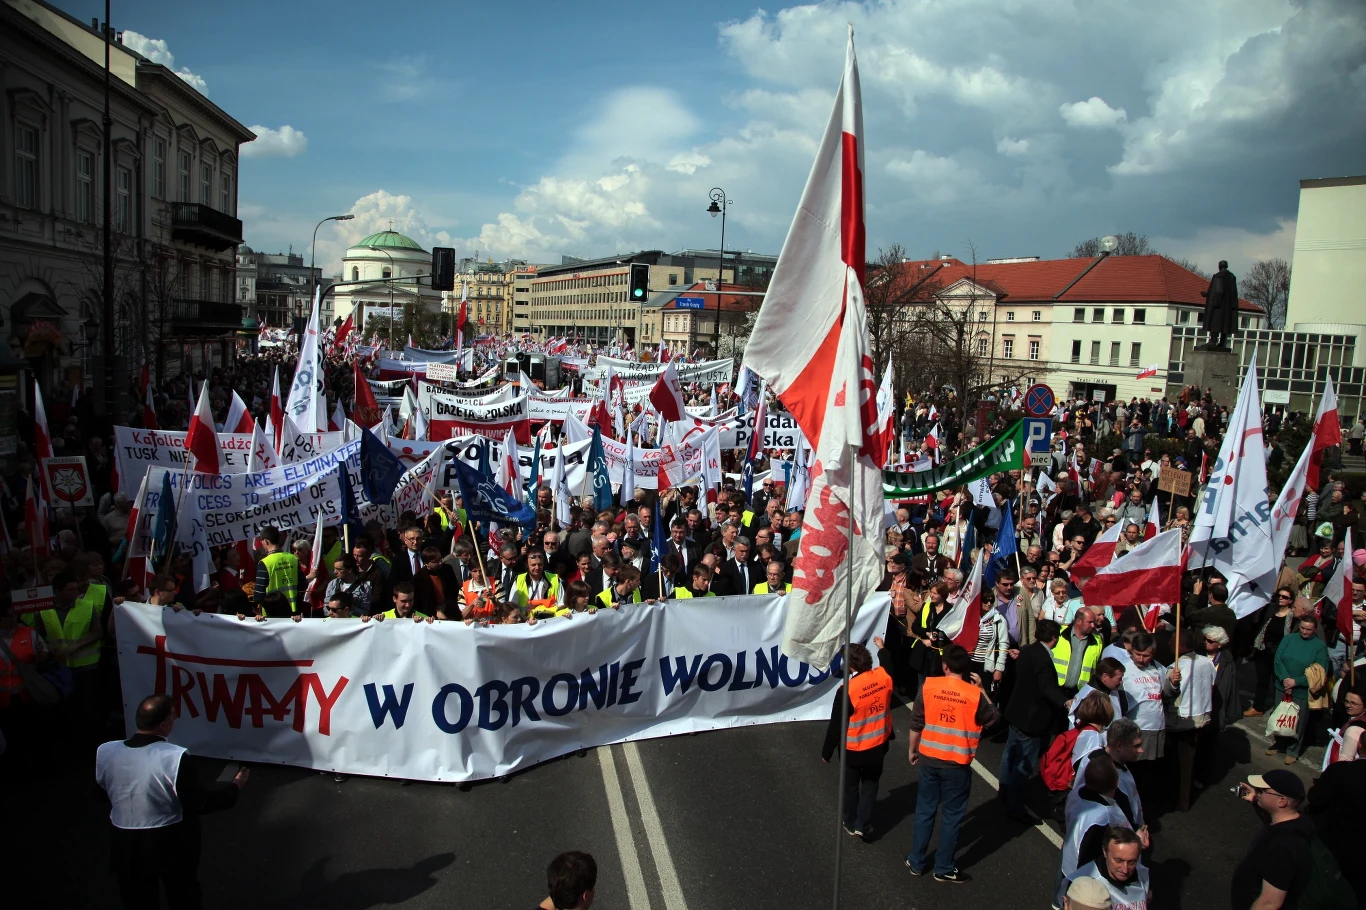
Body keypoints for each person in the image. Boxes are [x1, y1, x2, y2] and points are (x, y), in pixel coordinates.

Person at [95, 694, 249, 909]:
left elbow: (102, 791)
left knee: (137, 898)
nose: (174, 722)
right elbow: (198, 802)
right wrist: (234, 788)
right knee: (182, 893)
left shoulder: (106, 751)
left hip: (124, 841)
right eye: (173, 717)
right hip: (170, 839)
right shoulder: (174, 757)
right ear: (163, 724)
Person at [904, 644, 998, 883]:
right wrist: (983, 691)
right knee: (952, 816)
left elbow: (916, 722)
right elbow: (993, 719)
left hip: (929, 758)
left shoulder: (929, 686)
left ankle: (916, 861)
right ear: (965, 669)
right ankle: (943, 867)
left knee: (925, 811)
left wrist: (912, 750)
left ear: (944, 665)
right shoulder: (973, 694)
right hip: (957, 764)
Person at [821, 640, 894, 841]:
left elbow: (836, 725)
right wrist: (881, 647)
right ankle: (864, 823)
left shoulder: (847, 690)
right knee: (870, 786)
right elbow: (887, 660)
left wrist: (826, 753)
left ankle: (850, 821)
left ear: (851, 666)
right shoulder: (884, 676)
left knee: (851, 787)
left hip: (853, 750)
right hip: (879, 745)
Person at [999, 619, 1069, 824]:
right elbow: (1047, 688)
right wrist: (1066, 702)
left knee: (1010, 755)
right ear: (1054, 639)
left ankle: (1004, 790)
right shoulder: (1044, 662)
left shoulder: (1029, 650)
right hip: (1032, 719)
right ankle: (1015, 805)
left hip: (1016, 712)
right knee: (1024, 763)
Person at [1058, 755, 1138, 906]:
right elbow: (1093, 854)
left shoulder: (1076, 793)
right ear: (1117, 784)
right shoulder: (1102, 818)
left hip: (1068, 860)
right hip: (1084, 875)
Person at [1231, 770, 1316, 910]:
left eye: (1262, 790)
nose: (1257, 792)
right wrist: (1255, 799)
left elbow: (1270, 903)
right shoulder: (1298, 822)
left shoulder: (1284, 846)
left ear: (1281, 801)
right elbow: (1273, 820)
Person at [1270, 614, 1331, 764]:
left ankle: (1293, 750)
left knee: (1298, 721)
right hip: (1282, 685)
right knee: (1280, 716)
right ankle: (1279, 744)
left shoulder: (1319, 647)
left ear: (1315, 629)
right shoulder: (1289, 638)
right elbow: (1278, 659)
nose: (1304, 632)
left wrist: (1296, 682)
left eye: (1308, 629)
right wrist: (1285, 679)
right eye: (1302, 628)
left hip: (1302, 691)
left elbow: (1319, 671)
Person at [1068, 826, 1150, 910]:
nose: (1125, 870)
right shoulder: (1084, 884)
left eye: (1131, 862)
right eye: (1118, 860)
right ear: (1105, 852)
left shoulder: (1142, 872)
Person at [1052, 608, 1104, 698]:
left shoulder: (1097, 640)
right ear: (1079, 621)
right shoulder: (1059, 634)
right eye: (1090, 622)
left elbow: (1097, 668)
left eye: (1094, 622)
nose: (1093, 625)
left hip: (1080, 693)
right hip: (1055, 689)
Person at [253, 526, 299, 616]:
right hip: (293, 612)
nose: (261, 543)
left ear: (266, 541)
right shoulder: (293, 558)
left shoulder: (264, 563)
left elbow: (259, 594)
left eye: (261, 541)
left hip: (271, 613)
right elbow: (302, 584)